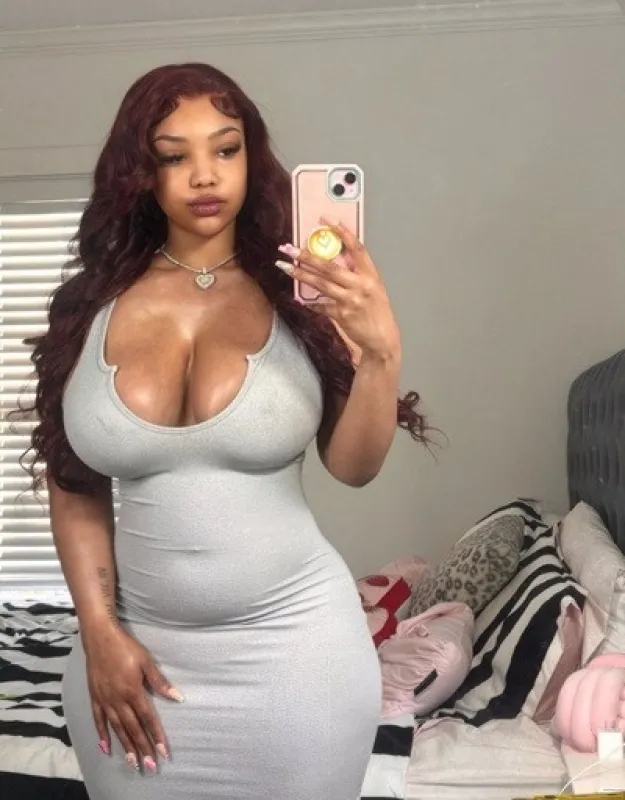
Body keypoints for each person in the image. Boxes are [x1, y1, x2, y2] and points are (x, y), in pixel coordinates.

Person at [22, 62, 429, 800]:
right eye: (173, 155)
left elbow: (355, 466)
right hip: (134, 662)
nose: (205, 175)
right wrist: (98, 632)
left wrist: (380, 353)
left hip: (297, 658)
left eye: (226, 148)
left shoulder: (303, 294)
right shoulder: (88, 305)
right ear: (140, 172)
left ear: (252, 156)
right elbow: (74, 482)